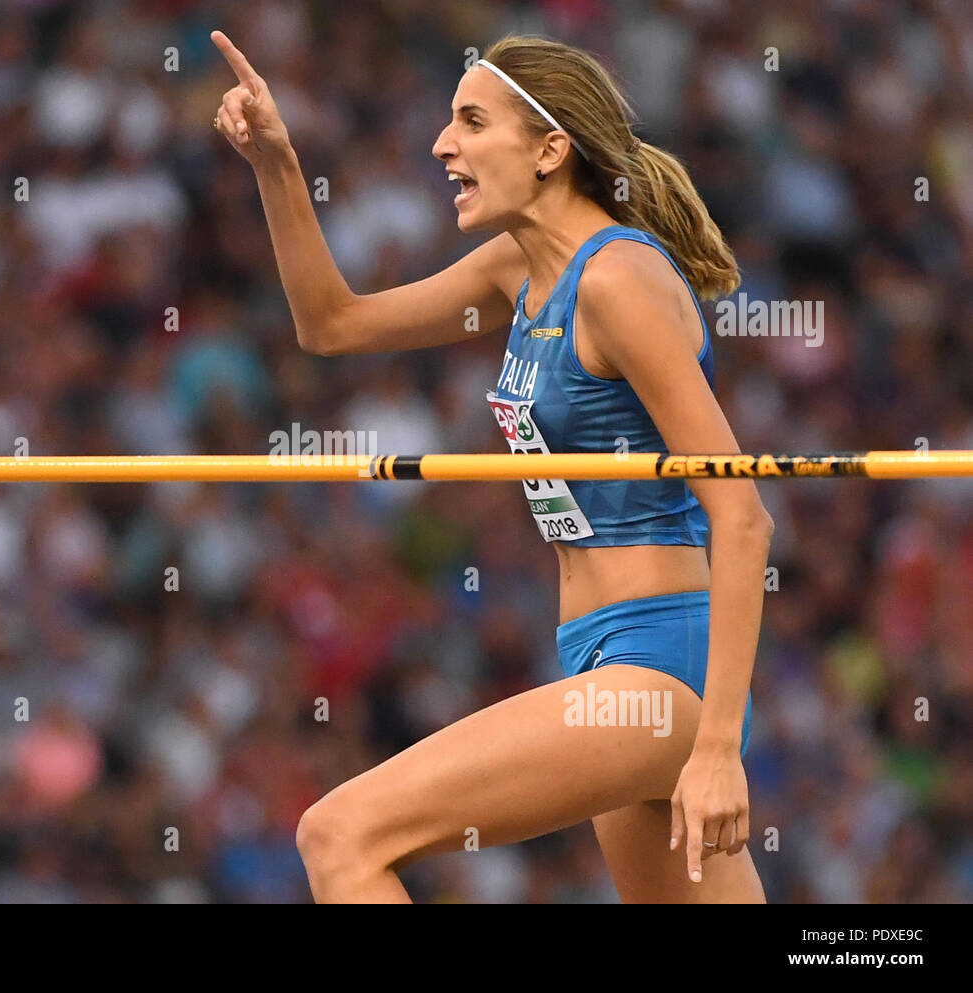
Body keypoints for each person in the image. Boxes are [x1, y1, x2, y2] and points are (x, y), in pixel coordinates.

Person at [210, 29, 772, 903]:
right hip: (598, 656)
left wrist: (719, 746)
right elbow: (333, 324)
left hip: (659, 666)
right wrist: (277, 165)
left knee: (340, 834)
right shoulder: (520, 269)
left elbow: (742, 514)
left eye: (471, 121)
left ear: (550, 150)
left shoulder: (616, 280)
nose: (443, 145)